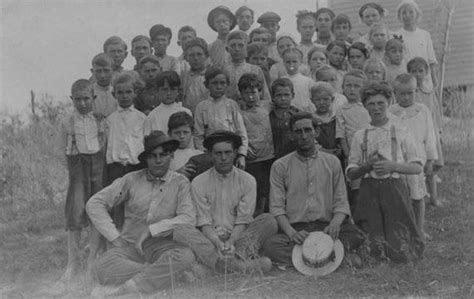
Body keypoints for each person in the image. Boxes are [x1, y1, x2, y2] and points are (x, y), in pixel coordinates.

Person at [86, 131, 196, 296]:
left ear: (171, 156)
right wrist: (115, 238)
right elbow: (94, 203)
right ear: (146, 159)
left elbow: (188, 218)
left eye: (163, 155)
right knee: (100, 267)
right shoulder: (131, 179)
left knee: (186, 256)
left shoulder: (180, 182)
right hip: (130, 248)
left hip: (162, 246)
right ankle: (162, 276)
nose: (158, 161)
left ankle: (130, 287)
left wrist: (153, 230)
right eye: (153, 156)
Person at [262, 112, 366, 267]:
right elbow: (277, 208)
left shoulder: (332, 162)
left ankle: (305, 259)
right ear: (291, 135)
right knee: (271, 246)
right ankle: (332, 259)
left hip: (326, 229)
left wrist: (335, 225)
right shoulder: (280, 166)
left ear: (316, 132)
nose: (304, 136)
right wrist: (292, 233)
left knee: (356, 234)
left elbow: (341, 202)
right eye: (298, 132)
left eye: (308, 130)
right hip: (297, 230)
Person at [176, 131, 278, 274]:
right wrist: (217, 242)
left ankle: (220, 264)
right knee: (180, 230)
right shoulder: (198, 182)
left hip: (239, 238)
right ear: (210, 154)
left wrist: (231, 242)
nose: (223, 158)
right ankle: (239, 266)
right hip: (209, 240)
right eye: (218, 153)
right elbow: (204, 222)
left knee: (269, 220)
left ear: (235, 153)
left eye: (227, 152)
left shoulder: (247, 180)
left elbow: (243, 220)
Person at [346, 81, 425, 263]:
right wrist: (366, 166)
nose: (376, 108)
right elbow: (351, 174)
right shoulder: (361, 135)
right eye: (371, 104)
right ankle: (375, 254)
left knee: (402, 247)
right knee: (372, 245)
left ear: (388, 103)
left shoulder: (401, 131)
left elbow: (417, 167)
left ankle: (400, 254)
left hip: (394, 189)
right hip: (369, 190)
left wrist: (393, 166)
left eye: (381, 103)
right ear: (364, 106)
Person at [59, 79, 107, 279]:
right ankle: (73, 262)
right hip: (78, 172)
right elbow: (63, 150)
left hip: (97, 170)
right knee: (75, 214)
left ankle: (92, 260)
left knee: (96, 212)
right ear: (72, 100)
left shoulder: (101, 120)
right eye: (77, 99)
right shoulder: (67, 122)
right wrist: (73, 172)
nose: (82, 103)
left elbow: (105, 145)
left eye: (86, 98)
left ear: (93, 98)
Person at [390, 74, 437, 240]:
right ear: (394, 93)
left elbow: (430, 135)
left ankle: (419, 229)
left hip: (417, 159)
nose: (406, 97)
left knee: (418, 195)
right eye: (401, 93)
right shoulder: (390, 112)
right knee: (400, 196)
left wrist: (430, 159)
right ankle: (402, 230)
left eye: (410, 93)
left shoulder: (422, 110)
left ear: (416, 91)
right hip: (398, 161)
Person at [104, 73, 147, 234]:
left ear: (135, 93)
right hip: (116, 168)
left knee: (136, 203)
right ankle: (118, 240)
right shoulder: (110, 120)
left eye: (128, 92)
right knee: (117, 204)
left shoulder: (142, 118)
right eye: (120, 93)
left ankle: (136, 238)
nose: (124, 96)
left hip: (135, 167)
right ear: (114, 94)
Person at [194, 67, 248, 169]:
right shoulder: (201, 107)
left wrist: (241, 155)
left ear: (227, 84)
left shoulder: (232, 105)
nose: (219, 87)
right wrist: (206, 156)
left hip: (231, 154)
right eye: (214, 83)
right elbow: (198, 136)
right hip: (210, 155)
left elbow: (242, 133)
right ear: (206, 85)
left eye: (222, 83)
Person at [407, 57, 443, 206]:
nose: (417, 74)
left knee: (431, 166)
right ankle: (416, 197)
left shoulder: (429, 92)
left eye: (420, 71)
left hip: (429, 132)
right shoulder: (407, 92)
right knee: (415, 165)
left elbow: (436, 112)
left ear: (426, 72)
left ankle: (433, 197)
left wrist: (439, 130)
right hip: (414, 133)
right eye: (413, 71)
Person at [239, 74, 274, 216]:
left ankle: (265, 215)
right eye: (246, 93)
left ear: (260, 92)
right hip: (251, 158)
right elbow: (236, 130)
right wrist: (243, 148)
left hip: (268, 156)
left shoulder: (267, 105)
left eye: (253, 92)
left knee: (266, 189)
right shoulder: (238, 110)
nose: (251, 97)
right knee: (252, 188)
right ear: (241, 94)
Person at [335, 70, 370, 213]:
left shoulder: (368, 107)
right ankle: (357, 218)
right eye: (348, 85)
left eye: (356, 86)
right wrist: (348, 155)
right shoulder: (341, 109)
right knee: (355, 187)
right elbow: (341, 134)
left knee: (370, 185)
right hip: (352, 154)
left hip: (370, 151)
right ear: (342, 88)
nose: (352, 89)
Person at [393, 0, 438, 92]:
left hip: (424, 79)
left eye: (411, 12)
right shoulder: (396, 36)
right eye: (404, 13)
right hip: (406, 78)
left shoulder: (425, 34)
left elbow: (431, 60)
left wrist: (434, 81)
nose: (407, 15)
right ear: (399, 16)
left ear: (417, 14)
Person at [223, 30, 271, 103]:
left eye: (241, 45)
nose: (237, 49)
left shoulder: (255, 69)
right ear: (227, 49)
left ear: (246, 48)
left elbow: (265, 96)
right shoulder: (223, 70)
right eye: (233, 45)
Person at [143, 71, 192, 136]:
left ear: (178, 91)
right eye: (165, 89)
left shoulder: (186, 112)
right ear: (158, 91)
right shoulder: (152, 116)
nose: (169, 93)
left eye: (173, 89)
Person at [310, 82, 343, 164]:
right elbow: (310, 139)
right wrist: (322, 150)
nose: (321, 102)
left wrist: (340, 149)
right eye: (317, 99)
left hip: (337, 156)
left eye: (325, 99)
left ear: (332, 99)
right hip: (318, 157)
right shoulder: (311, 119)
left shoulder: (337, 117)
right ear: (312, 100)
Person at [269, 78, 300, 159]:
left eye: (286, 95)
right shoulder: (268, 115)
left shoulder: (298, 114)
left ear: (293, 95)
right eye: (279, 95)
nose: (283, 98)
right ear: (273, 96)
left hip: (295, 156)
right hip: (273, 157)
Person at [282, 48, 316, 113]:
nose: (291, 65)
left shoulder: (308, 81)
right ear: (283, 62)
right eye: (288, 62)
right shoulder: (281, 80)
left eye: (294, 61)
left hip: (304, 112)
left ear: (300, 62)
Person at [181, 38, 210, 113]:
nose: (196, 58)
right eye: (191, 55)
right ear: (186, 58)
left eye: (199, 54)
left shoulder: (212, 76)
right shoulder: (183, 78)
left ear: (206, 56)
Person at [90, 53, 117, 119]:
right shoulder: (89, 93)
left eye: (106, 71)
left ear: (113, 71)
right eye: (98, 71)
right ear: (92, 71)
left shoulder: (118, 92)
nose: (102, 75)